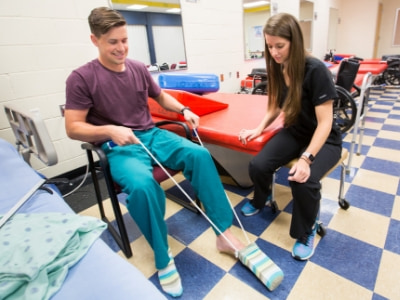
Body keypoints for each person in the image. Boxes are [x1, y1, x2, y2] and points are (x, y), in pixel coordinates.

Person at [65, 7, 283, 297]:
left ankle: (224, 233)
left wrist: (183, 109)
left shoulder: (138, 68)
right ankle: (162, 254)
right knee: (143, 186)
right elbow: (73, 127)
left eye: (125, 40)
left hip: (153, 135)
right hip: (120, 146)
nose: (121, 48)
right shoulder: (81, 78)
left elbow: (160, 96)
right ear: (95, 40)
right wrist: (109, 130)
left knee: (200, 155)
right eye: (112, 42)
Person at [239, 13, 342, 261]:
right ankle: (261, 199)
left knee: (302, 181)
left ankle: (306, 230)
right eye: (270, 46)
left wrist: (306, 159)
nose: (274, 52)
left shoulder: (315, 70)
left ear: (294, 41)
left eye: (280, 46)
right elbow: (276, 104)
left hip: (324, 138)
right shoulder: (277, 65)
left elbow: (326, 122)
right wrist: (259, 128)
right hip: (295, 131)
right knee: (258, 165)